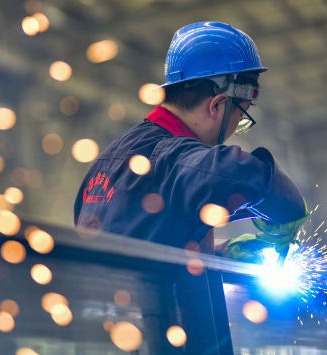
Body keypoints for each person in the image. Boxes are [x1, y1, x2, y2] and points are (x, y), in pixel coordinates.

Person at [74, 21, 307, 263]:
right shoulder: (172, 158)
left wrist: (217, 252)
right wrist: (288, 213)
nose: (235, 128)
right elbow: (244, 172)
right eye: (240, 115)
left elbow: (146, 238)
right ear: (217, 105)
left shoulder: (105, 163)